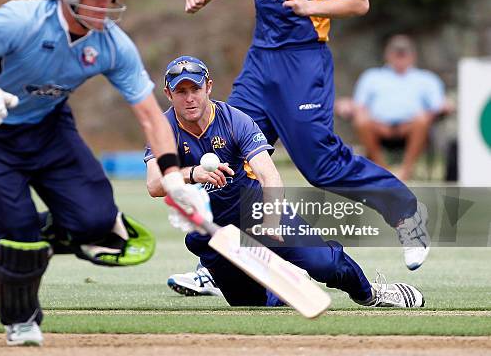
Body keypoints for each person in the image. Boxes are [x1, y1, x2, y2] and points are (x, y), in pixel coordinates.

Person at [0, 0, 206, 347]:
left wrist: (174, 178)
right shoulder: (21, 20)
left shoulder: (113, 44)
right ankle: (21, 317)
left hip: (49, 129)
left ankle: (29, 236)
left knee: (97, 223)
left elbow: (150, 115)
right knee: (19, 241)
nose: (105, 5)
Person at [184, 0, 430, 271]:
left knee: (321, 165)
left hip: (303, 62)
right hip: (260, 63)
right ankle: (219, 265)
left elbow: (359, 1)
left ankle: (406, 213)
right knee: (230, 151)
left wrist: (308, 6)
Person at [145, 55, 424, 308]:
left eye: (194, 89)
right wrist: (191, 173)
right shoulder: (162, 128)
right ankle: (286, 288)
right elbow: (154, 185)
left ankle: (371, 294)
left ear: (208, 87)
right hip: (213, 233)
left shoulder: (234, 120)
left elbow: (269, 175)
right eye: (181, 91)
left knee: (324, 263)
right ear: (168, 94)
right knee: (251, 306)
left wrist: (271, 220)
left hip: (254, 211)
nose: (189, 98)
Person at [350, 35, 450, 181]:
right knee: (361, 118)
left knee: (422, 118)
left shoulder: (427, 79)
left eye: (404, 53)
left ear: (413, 56)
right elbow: (358, 105)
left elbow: (438, 105)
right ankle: (382, 170)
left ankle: (406, 171)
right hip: (378, 127)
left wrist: (446, 105)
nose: (400, 57)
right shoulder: (371, 77)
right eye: (396, 53)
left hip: (411, 128)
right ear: (387, 55)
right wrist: (347, 107)